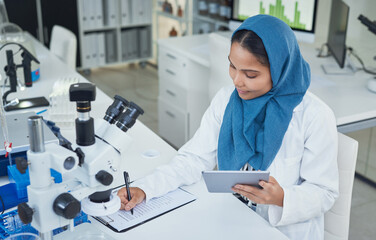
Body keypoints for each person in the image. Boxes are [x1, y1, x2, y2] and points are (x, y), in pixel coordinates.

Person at [117, 15, 339, 239]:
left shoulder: (315, 116)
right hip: (232, 218)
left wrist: (281, 197)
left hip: (279, 230)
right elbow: (193, 158)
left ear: (281, 69)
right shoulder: (227, 100)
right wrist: (146, 189)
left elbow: (325, 193)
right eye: (232, 67)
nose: (236, 81)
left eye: (250, 74)